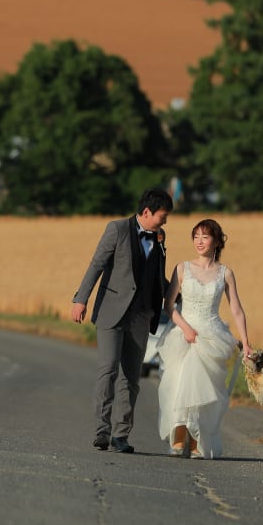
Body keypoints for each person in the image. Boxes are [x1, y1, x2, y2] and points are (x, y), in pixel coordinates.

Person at [71, 187, 174, 454]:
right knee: (108, 370)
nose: (164, 222)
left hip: (141, 316)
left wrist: (182, 294)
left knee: (132, 379)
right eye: (162, 216)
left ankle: (121, 435)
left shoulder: (160, 237)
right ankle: (101, 431)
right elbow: (97, 264)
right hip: (111, 311)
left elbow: (157, 277)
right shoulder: (116, 229)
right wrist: (81, 299)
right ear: (147, 211)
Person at [156, 218, 252, 460]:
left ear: (217, 241)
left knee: (207, 389)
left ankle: (199, 439)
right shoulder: (182, 268)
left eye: (205, 236)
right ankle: (178, 437)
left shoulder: (225, 273)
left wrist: (246, 342)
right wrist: (186, 328)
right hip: (184, 333)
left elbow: (237, 310)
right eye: (196, 236)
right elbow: (169, 305)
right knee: (179, 384)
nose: (199, 241)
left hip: (212, 336)